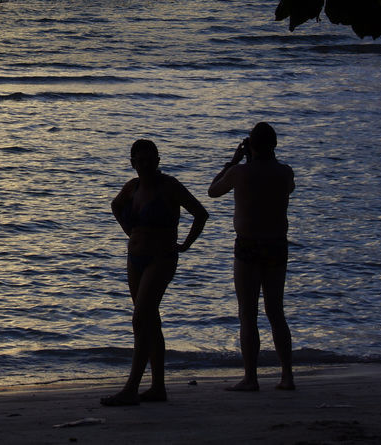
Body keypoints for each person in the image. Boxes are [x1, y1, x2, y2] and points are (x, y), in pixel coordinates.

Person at [102, 139, 208, 406]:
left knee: (140, 319)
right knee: (149, 320)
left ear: (158, 161)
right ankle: (158, 387)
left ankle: (131, 388)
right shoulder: (132, 187)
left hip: (161, 258)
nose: (146, 165)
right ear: (133, 163)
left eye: (151, 159)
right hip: (135, 257)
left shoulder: (169, 186)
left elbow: (200, 213)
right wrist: (130, 231)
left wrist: (185, 243)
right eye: (140, 160)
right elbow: (115, 206)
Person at [208, 121, 296, 392]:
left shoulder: (239, 172)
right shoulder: (285, 173)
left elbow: (213, 191)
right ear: (275, 145)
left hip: (248, 245)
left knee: (248, 313)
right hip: (276, 245)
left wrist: (233, 160)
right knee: (276, 312)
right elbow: (287, 188)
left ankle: (251, 377)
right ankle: (287, 375)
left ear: (250, 146)